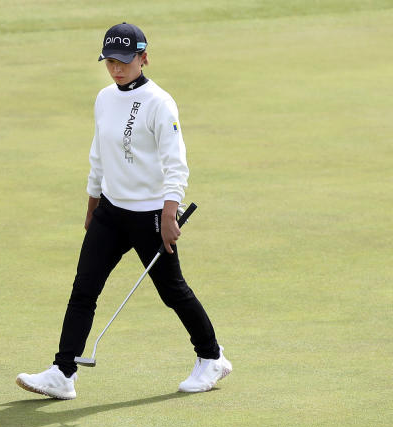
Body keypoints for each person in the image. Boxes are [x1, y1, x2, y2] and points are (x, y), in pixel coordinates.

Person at [16, 22, 232, 400]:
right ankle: (63, 372)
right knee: (84, 288)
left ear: (144, 58)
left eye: (125, 61)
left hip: (149, 217)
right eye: (110, 61)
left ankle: (211, 357)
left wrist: (169, 215)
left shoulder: (160, 103)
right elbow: (99, 156)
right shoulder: (103, 99)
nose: (117, 68)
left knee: (173, 292)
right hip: (111, 212)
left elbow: (175, 164)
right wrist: (92, 205)